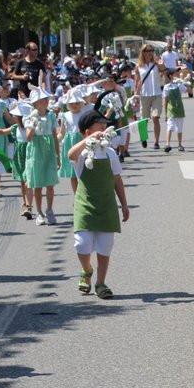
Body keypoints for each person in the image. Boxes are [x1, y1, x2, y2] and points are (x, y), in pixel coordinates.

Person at [66, 109, 130, 299]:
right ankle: (87, 270)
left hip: (106, 205)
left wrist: (124, 205)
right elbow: (70, 154)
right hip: (85, 204)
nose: (104, 126)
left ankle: (101, 283)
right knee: (82, 244)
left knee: (105, 247)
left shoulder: (110, 152)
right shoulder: (82, 153)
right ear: (87, 130)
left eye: (105, 124)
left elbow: (117, 179)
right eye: (99, 124)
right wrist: (89, 139)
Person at [24, 87, 61, 225]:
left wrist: (58, 155)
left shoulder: (51, 115)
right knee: (37, 184)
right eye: (42, 100)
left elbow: (54, 136)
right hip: (36, 150)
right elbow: (28, 138)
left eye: (46, 99)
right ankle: (39, 212)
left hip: (49, 149)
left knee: (50, 184)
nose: (45, 101)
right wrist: (33, 125)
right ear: (36, 102)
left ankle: (49, 210)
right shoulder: (30, 116)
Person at [133, 44, 166, 149]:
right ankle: (143, 138)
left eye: (151, 50)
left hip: (156, 94)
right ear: (143, 52)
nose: (149, 52)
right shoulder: (139, 66)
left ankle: (156, 142)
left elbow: (165, 73)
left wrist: (162, 65)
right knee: (144, 120)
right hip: (144, 95)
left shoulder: (156, 64)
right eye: (147, 51)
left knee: (155, 117)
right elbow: (137, 82)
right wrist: (135, 96)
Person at [58, 90, 87, 193]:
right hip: (69, 144)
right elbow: (62, 132)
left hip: (82, 141)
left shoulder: (85, 114)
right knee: (73, 173)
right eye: (71, 103)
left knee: (84, 170)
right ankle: (76, 196)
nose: (74, 105)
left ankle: (85, 195)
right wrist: (55, 141)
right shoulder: (65, 115)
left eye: (77, 103)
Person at [162, 72, 186, 153]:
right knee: (170, 127)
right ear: (170, 76)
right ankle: (167, 144)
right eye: (175, 74)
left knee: (179, 128)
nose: (177, 75)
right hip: (171, 110)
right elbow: (165, 101)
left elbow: (189, 91)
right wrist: (165, 114)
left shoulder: (179, 85)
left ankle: (180, 144)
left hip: (179, 110)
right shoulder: (166, 87)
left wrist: (181, 82)